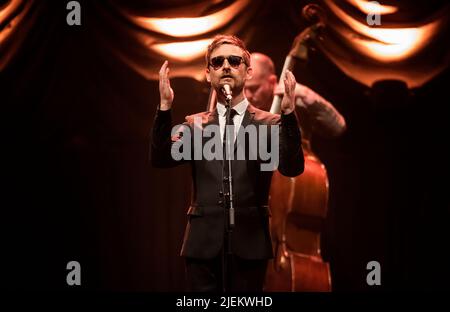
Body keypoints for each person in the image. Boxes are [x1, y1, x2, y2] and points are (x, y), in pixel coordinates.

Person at [151, 35, 304, 292]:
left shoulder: (270, 123)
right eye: (217, 61)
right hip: (202, 246)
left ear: (248, 70)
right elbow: (161, 158)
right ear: (208, 73)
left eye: (234, 61)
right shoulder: (194, 124)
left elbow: (292, 167)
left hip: (250, 243)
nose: (225, 66)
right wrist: (165, 108)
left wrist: (288, 116)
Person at [245, 53, 346, 143]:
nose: (247, 95)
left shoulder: (293, 99)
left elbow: (337, 128)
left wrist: (305, 93)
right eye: (243, 88)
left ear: (272, 81)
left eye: (253, 88)